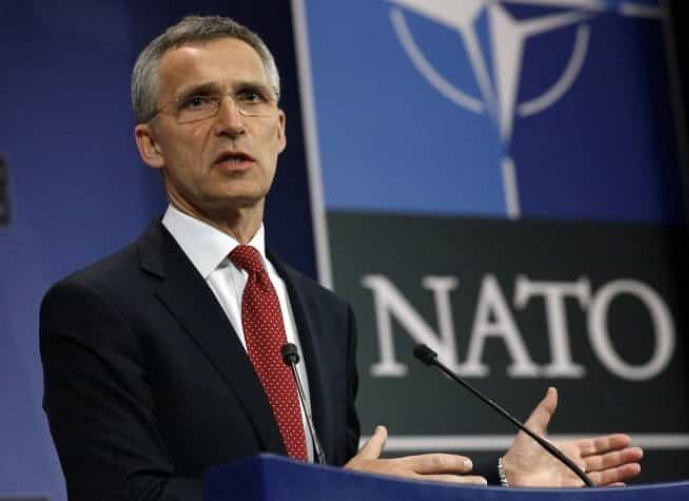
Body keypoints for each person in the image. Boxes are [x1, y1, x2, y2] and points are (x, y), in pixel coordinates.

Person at [39, 15, 642, 500]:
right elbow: (122, 494)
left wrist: (503, 480)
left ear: (279, 130)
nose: (231, 123)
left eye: (250, 97)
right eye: (199, 102)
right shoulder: (98, 307)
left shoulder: (325, 312)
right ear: (150, 144)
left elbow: (349, 483)